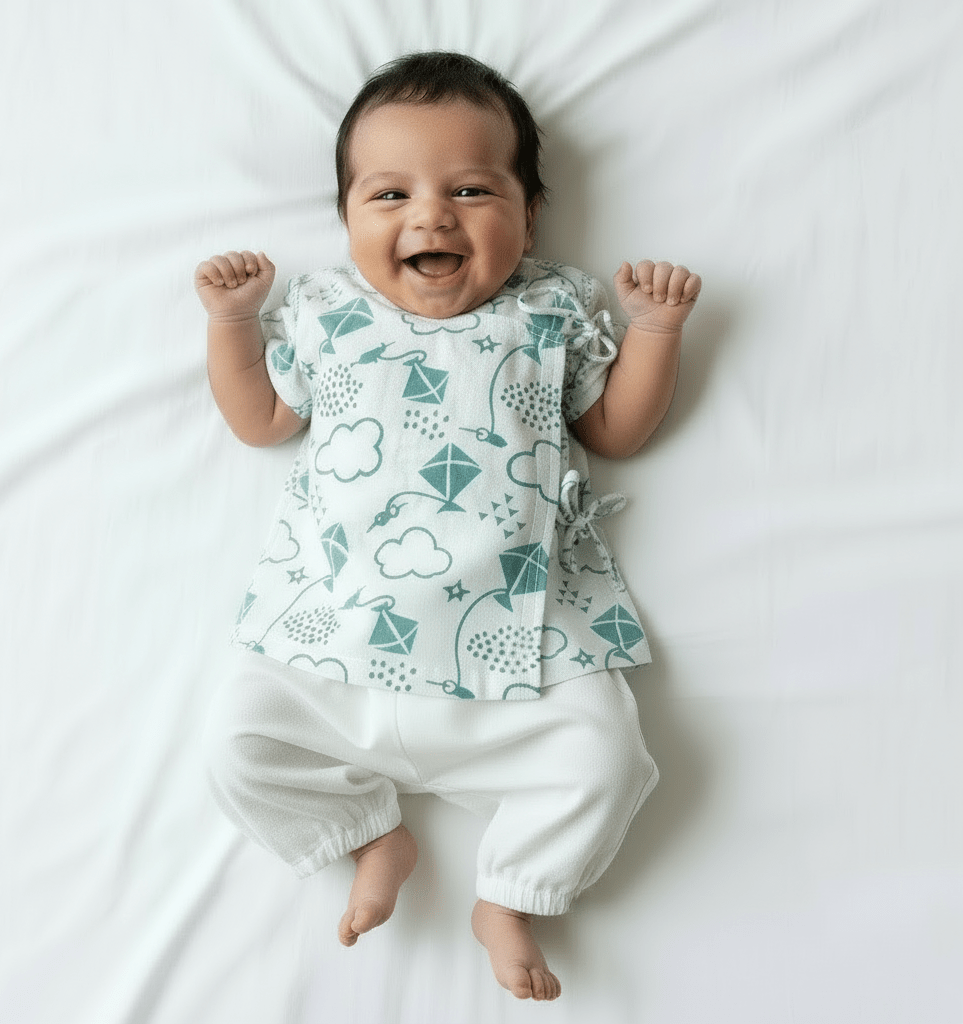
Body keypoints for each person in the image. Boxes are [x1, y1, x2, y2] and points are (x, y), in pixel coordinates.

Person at [196, 51, 700, 1002]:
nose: (431, 216)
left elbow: (615, 432)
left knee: (608, 759)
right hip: (336, 638)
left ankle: (510, 893)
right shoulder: (326, 312)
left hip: (522, 644)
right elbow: (260, 421)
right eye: (390, 194)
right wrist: (233, 322)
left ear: (530, 214)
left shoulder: (552, 308)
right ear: (346, 218)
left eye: (471, 189)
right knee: (236, 745)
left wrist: (654, 333)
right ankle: (366, 833)